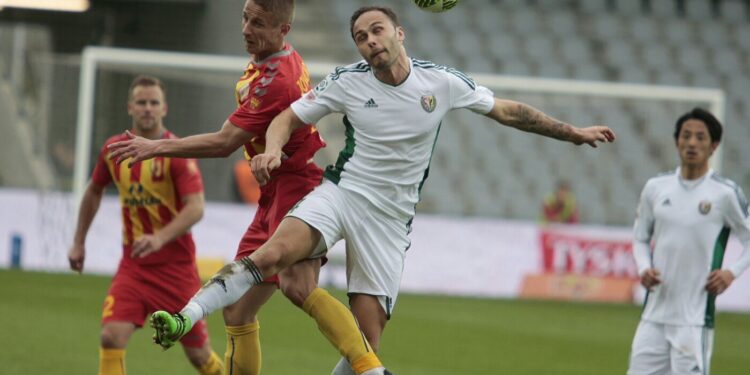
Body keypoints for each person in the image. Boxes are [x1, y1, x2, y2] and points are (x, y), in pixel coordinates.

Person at [109, 6, 615, 375]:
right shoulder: (348, 81)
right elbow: (289, 115)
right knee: (275, 255)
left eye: (376, 30)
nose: (369, 40)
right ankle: (184, 317)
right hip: (342, 192)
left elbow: (508, 110)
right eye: (359, 36)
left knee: (365, 340)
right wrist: (271, 148)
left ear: (399, 32)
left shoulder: (441, 83)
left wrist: (571, 132)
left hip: (391, 222)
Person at [107, 2, 389, 375]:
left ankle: (370, 368)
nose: (245, 28)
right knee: (238, 308)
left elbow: (224, 142)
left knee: (298, 286)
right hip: (274, 190)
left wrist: (156, 146)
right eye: (244, 18)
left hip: (297, 187)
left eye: (257, 22)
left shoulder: (278, 81)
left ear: (283, 30)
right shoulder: (267, 60)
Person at [67, 75, 224, 375]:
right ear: (130, 107)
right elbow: (94, 190)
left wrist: (159, 238)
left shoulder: (175, 152)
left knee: (200, 357)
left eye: (154, 103)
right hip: (134, 268)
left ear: (164, 109)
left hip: (176, 270)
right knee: (111, 336)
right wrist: (78, 241)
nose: (148, 108)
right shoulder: (114, 150)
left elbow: (196, 207)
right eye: (142, 102)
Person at [627, 108, 750, 375]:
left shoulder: (725, 193)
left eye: (700, 137)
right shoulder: (656, 188)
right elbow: (640, 238)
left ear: (713, 146)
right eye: (686, 136)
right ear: (676, 141)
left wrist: (732, 272)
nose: (692, 143)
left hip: (693, 322)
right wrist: (643, 268)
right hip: (653, 318)